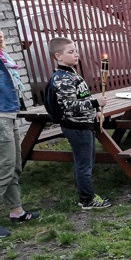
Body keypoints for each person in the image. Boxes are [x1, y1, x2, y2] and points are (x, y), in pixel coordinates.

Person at [44, 37, 110, 209]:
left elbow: (82, 97)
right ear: (58, 56)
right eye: (71, 52)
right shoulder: (62, 79)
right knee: (84, 165)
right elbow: (70, 106)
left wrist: (94, 111)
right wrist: (96, 103)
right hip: (76, 127)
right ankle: (87, 199)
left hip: (84, 124)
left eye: (76, 51)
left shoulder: (72, 74)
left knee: (86, 162)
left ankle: (85, 193)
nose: (76, 55)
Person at [1, 29, 39, 236]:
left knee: (14, 164)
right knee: (4, 166)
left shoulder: (4, 58)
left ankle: (17, 211)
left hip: (9, 114)